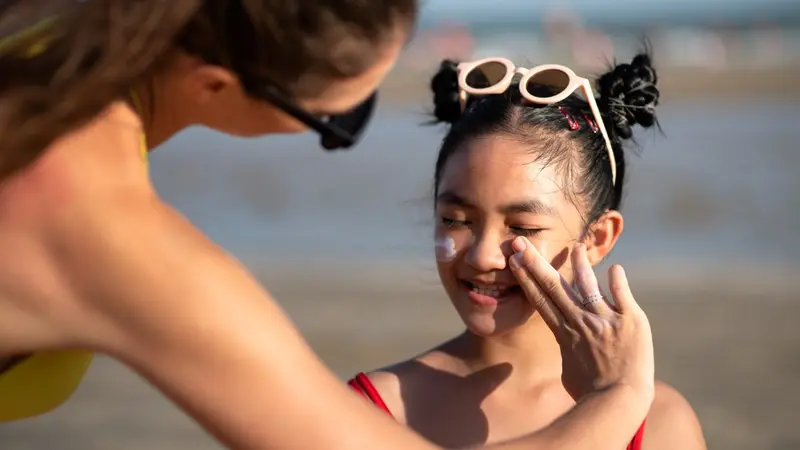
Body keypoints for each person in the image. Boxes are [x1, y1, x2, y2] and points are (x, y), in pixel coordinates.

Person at [1, 2, 655, 448]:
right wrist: (621, 401)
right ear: (212, 82)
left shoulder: (34, 39)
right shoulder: (102, 233)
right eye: (339, 124)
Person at [348, 53, 706, 449]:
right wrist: (616, 401)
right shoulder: (370, 410)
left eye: (523, 227)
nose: (483, 257)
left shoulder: (660, 423)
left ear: (598, 238)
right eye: (456, 219)